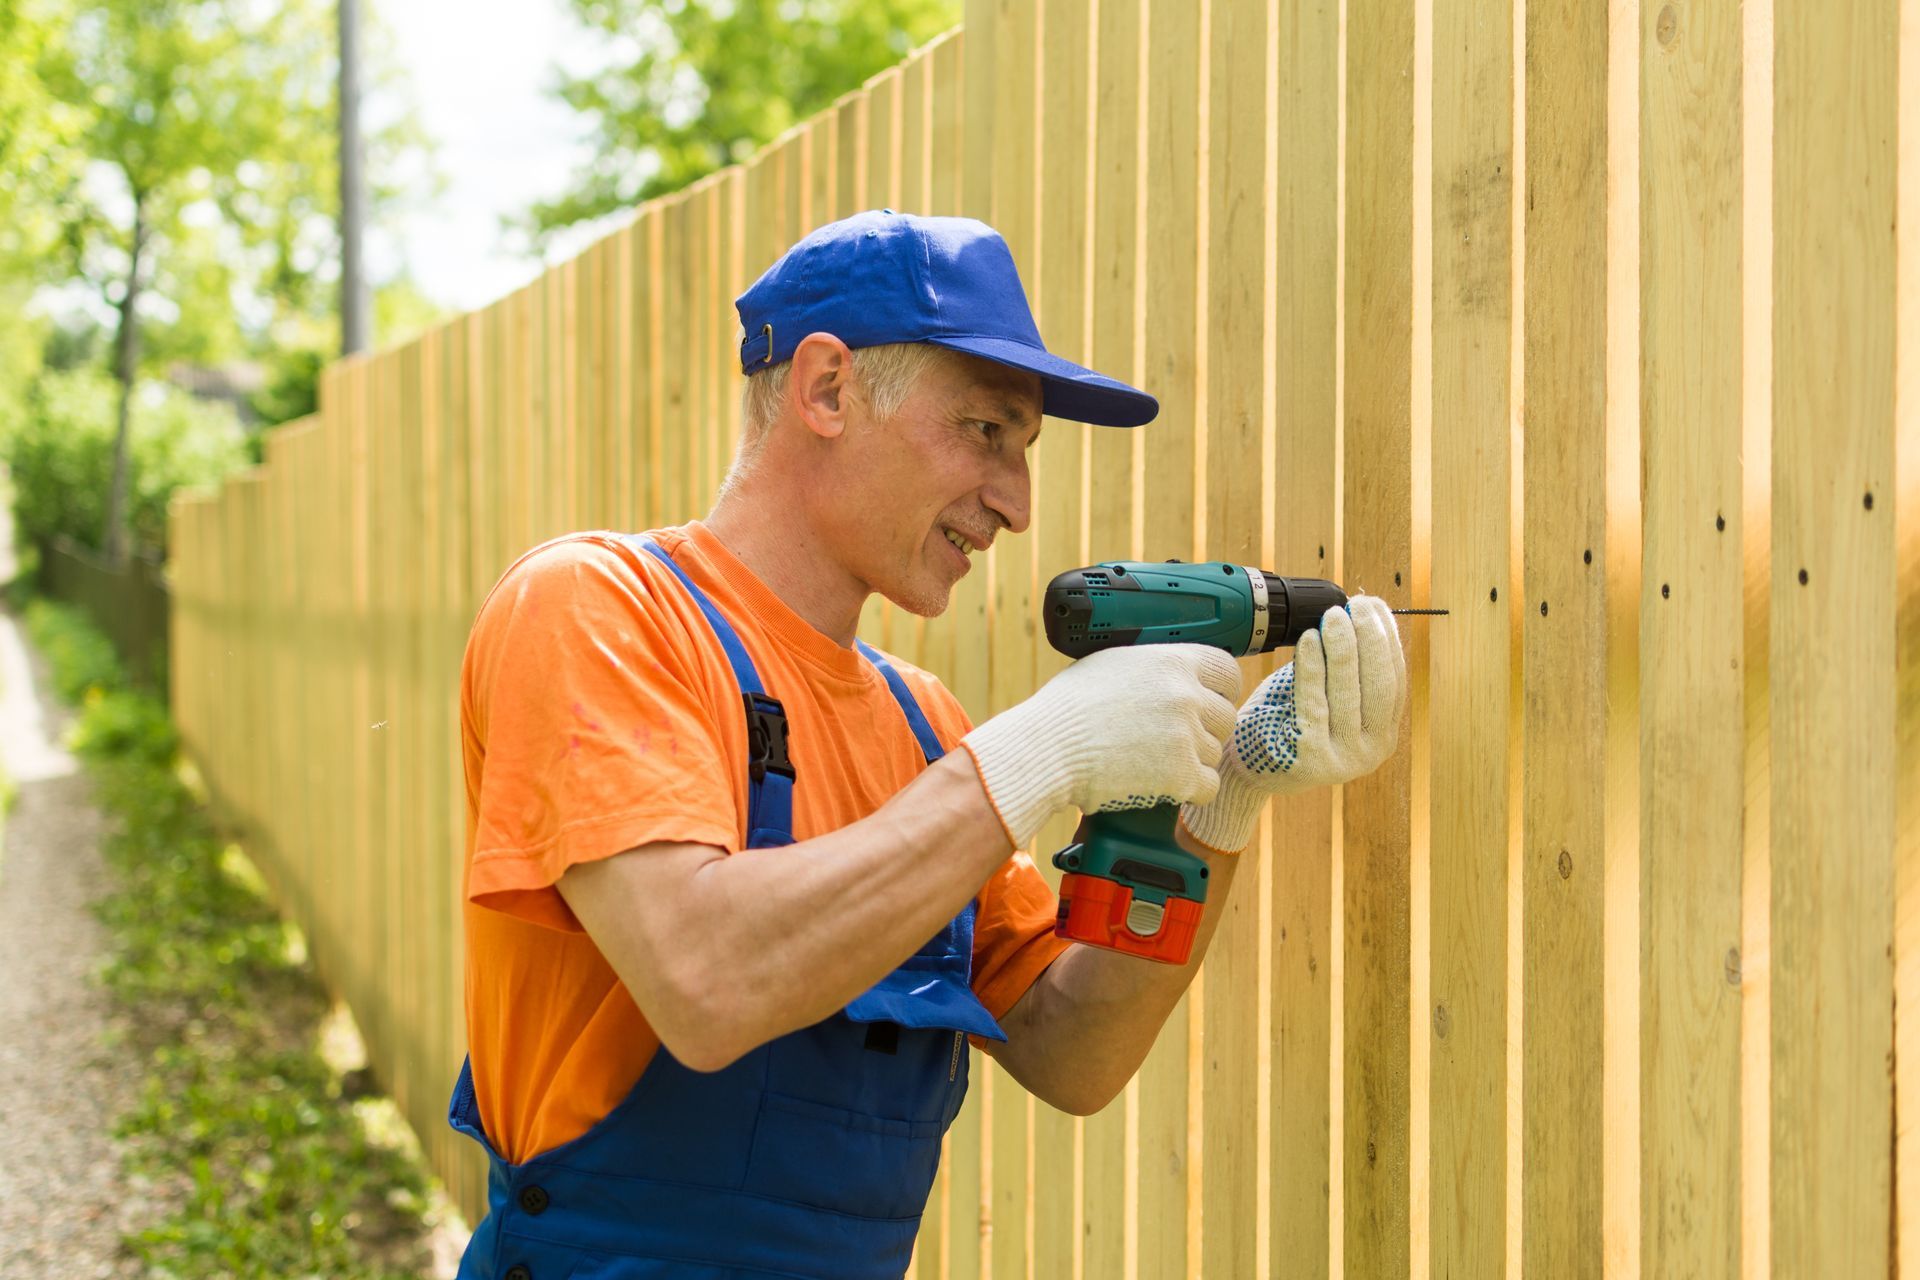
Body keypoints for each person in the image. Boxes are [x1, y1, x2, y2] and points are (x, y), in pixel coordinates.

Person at [446, 210, 1408, 1280]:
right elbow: (704, 978)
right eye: (986, 431)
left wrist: (1223, 797)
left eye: (1025, 450)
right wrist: (1032, 757)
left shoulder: (920, 725)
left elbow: (1069, 1047)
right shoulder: (600, 610)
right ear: (825, 389)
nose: (1017, 502)